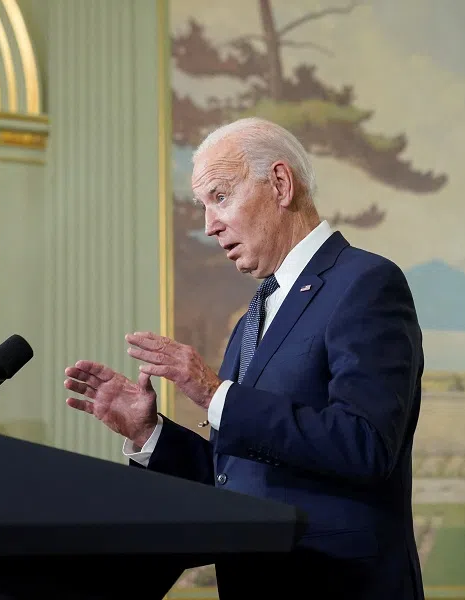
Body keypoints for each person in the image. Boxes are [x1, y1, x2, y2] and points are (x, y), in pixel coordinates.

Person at [63, 117, 425, 599]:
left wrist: (216, 394)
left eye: (220, 196)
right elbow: (233, 475)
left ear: (280, 183)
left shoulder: (365, 283)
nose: (210, 225)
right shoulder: (255, 314)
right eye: (203, 206)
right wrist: (148, 432)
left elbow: (366, 445)